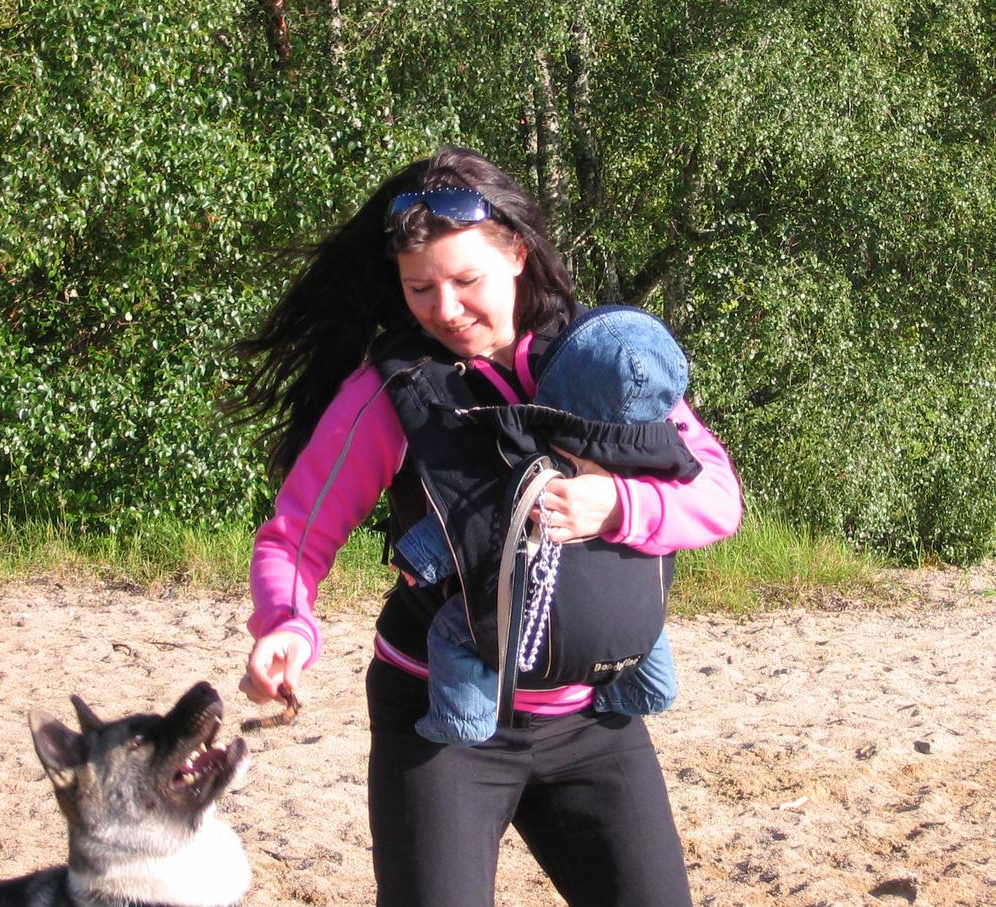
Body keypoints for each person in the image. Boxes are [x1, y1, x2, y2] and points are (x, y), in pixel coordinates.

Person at [233, 146, 742, 907]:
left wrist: (618, 506)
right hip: (440, 724)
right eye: (420, 288)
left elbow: (719, 498)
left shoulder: (608, 360)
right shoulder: (390, 392)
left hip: (593, 720)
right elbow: (297, 534)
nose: (444, 309)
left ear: (516, 252)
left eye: (465, 280)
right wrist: (285, 623)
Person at [393, 305, 691, 746]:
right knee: (644, 627)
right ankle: (651, 692)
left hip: (548, 610)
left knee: (452, 633)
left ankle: (465, 721)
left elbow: (474, 514)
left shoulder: (540, 450)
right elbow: (705, 501)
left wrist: (418, 560)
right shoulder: (669, 456)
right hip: (633, 613)